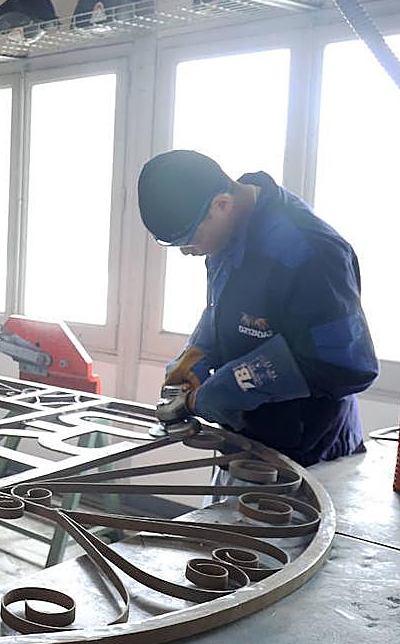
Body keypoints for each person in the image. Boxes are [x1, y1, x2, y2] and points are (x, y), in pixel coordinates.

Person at [137, 149, 378, 467]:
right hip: (248, 443)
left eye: (188, 239)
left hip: (313, 455)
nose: (185, 252)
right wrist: (199, 350)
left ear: (221, 204)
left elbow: (347, 367)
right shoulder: (229, 231)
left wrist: (231, 385)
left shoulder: (310, 252)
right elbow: (228, 309)